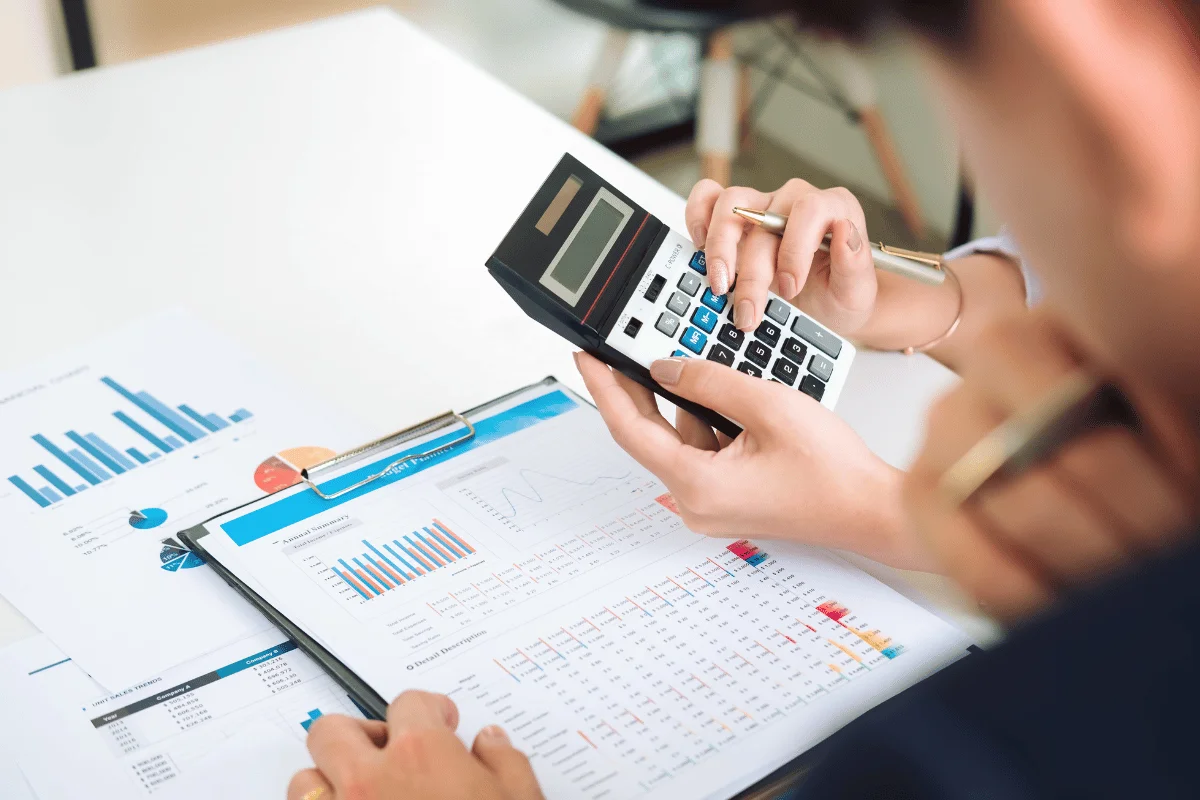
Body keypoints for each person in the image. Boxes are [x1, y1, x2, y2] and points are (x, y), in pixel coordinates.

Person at [288, 0, 1200, 797]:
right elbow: (1042, 272)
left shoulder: (963, 760)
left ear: (1096, 58)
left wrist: (891, 516)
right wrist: (896, 299)